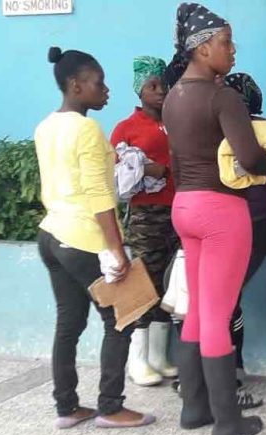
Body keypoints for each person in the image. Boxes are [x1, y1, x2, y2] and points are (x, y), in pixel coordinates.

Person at [162, 2, 266, 435]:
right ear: (203, 49)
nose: (232, 51)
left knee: (196, 309)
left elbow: (174, 161)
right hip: (221, 211)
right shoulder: (222, 96)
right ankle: (228, 422)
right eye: (226, 43)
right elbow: (248, 157)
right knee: (218, 314)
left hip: (184, 206)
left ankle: (194, 408)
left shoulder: (172, 97)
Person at [35, 46, 156, 429]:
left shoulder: (46, 125)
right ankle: (110, 405)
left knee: (69, 323)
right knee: (123, 315)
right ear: (75, 85)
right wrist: (115, 251)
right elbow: (99, 196)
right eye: (98, 84)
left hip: (52, 235)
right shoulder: (86, 129)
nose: (106, 91)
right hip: (84, 238)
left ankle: (67, 407)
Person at [110, 56, 178, 387]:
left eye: (163, 84)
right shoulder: (126, 128)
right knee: (144, 280)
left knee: (170, 281)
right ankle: (137, 361)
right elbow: (119, 171)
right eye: (152, 86)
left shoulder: (177, 121)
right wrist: (149, 170)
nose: (160, 91)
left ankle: (159, 356)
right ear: (139, 90)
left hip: (179, 211)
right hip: (146, 215)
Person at [223, 72, 266, 410]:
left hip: (252, 224)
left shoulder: (261, 133)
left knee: (226, 299)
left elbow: (258, 169)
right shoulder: (221, 131)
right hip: (223, 224)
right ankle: (214, 375)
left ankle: (230, 375)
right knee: (217, 300)